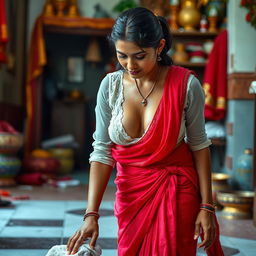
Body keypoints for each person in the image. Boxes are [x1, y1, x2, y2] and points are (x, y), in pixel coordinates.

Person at [67, 7, 224, 256]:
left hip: (176, 190)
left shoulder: (186, 85)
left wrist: (207, 205)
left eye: (140, 56)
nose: (130, 65)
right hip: (131, 195)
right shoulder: (110, 86)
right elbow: (102, 151)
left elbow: (199, 145)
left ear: (160, 47)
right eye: (122, 56)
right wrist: (91, 214)